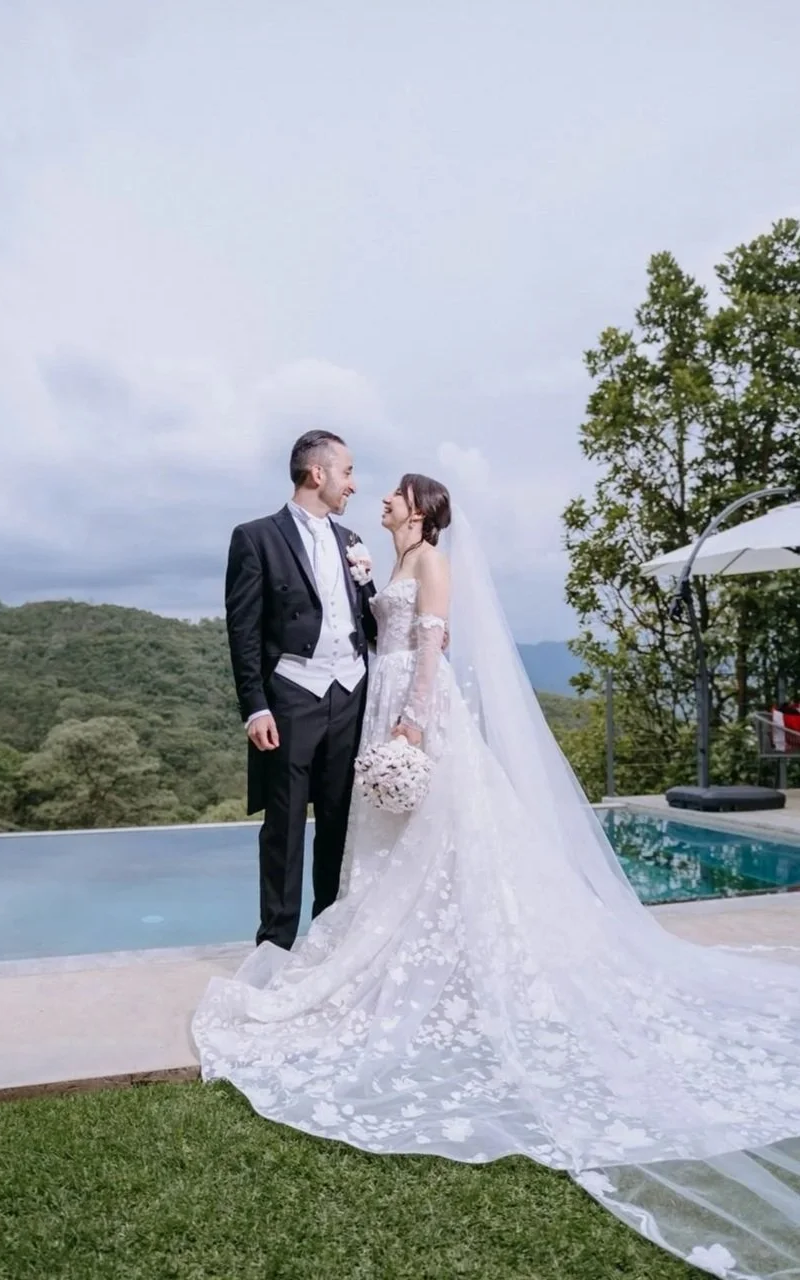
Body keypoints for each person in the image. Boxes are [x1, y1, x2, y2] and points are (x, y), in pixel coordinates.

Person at [196, 475, 800, 1280]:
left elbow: (432, 643)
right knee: (384, 852)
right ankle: (367, 947)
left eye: (392, 495)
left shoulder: (435, 561)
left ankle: (454, 953)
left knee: (441, 844)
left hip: (414, 708)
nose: (375, 498)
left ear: (420, 509)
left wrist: (413, 719)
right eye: (363, 485)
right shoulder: (376, 557)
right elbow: (358, 625)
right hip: (368, 706)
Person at [223, 430, 376, 950]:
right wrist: (255, 706)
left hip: (351, 691)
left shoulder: (353, 542)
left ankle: (329, 940)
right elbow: (242, 630)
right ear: (318, 474)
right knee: (285, 824)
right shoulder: (256, 537)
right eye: (348, 472)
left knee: (339, 820)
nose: (353, 484)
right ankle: (275, 946)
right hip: (291, 693)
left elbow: (371, 617)